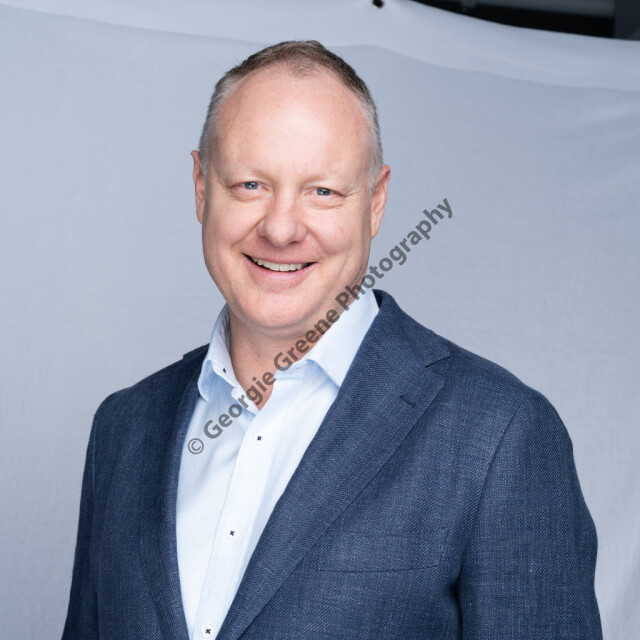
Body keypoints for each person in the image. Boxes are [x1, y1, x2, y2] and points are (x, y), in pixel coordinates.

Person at [62, 40, 603, 639]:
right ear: (200, 186)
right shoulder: (123, 430)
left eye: (322, 191)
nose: (280, 228)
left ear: (375, 203)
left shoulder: (499, 434)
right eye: (249, 184)